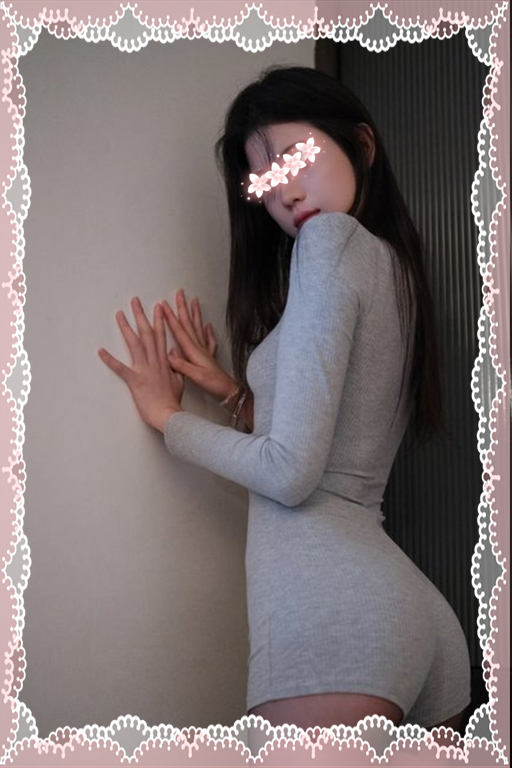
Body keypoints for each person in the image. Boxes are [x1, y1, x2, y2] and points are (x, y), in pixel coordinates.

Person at [98, 66, 471, 734]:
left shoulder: (328, 245)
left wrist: (167, 418)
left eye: (296, 158)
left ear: (361, 144)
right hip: (406, 612)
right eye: (264, 182)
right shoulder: (391, 263)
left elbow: (292, 473)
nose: (285, 191)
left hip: (330, 614)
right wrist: (236, 392)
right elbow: (337, 439)